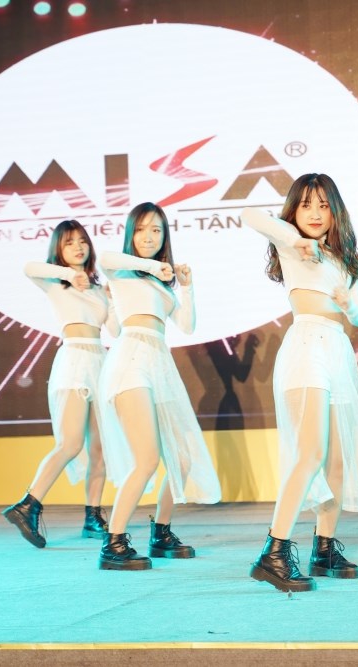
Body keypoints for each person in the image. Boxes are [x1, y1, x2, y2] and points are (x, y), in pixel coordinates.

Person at [242, 173, 358, 593]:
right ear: (294, 211)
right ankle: (273, 552)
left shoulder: (346, 261)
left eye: (324, 205)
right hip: (306, 347)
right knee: (310, 454)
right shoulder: (291, 245)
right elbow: (250, 214)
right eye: (306, 204)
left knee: (336, 461)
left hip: (337, 350)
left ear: (335, 212)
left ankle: (324, 549)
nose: (315, 213)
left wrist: (347, 303)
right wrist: (294, 238)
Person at [96, 202, 221, 570]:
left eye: (156, 230)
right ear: (130, 233)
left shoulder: (162, 284)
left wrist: (187, 287)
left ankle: (161, 532)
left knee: (181, 457)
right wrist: (153, 267)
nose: (149, 237)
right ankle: (113, 542)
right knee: (147, 459)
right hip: (131, 360)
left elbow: (187, 324)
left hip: (159, 364)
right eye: (141, 229)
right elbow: (106, 258)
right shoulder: (121, 270)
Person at [3, 220, 118, 547]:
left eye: (82, 241)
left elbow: (116, 330)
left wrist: (114, 300)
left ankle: (93, 516)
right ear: (59, 249)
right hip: (74, 362)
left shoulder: (99, 289)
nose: (78, 247)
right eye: (69, 243)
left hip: (100, 362)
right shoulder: (56, 283)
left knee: (100, 449)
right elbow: (29, 267)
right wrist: (68, 274)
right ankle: (27, 505)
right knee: (70, 444)